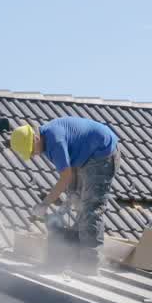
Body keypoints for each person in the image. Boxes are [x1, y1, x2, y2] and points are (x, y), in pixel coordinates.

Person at [10, 116, 119, 273]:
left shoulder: (55, 141)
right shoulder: (45, 142)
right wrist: (73, 192)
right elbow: (70, 168)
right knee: (78, 203)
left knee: (90, 208)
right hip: (85, 156)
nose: (34, 155)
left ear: (35, 138)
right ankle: (73, 253)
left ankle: (89, 265)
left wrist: (44, 204)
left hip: (102, 153)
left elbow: (65, 176)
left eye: (32, 151)